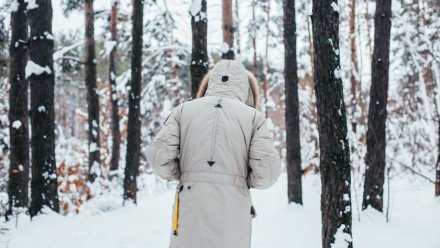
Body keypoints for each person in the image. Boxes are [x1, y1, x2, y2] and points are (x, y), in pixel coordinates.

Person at [146, 59, 281, 248]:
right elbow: (266, 173)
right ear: (245, 87)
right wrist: (242, 180)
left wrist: (184, 174)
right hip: (232, 211)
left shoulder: (184, 111)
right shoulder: (253, 118)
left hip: (190, 208)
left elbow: (158, 156)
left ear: (211, 82)